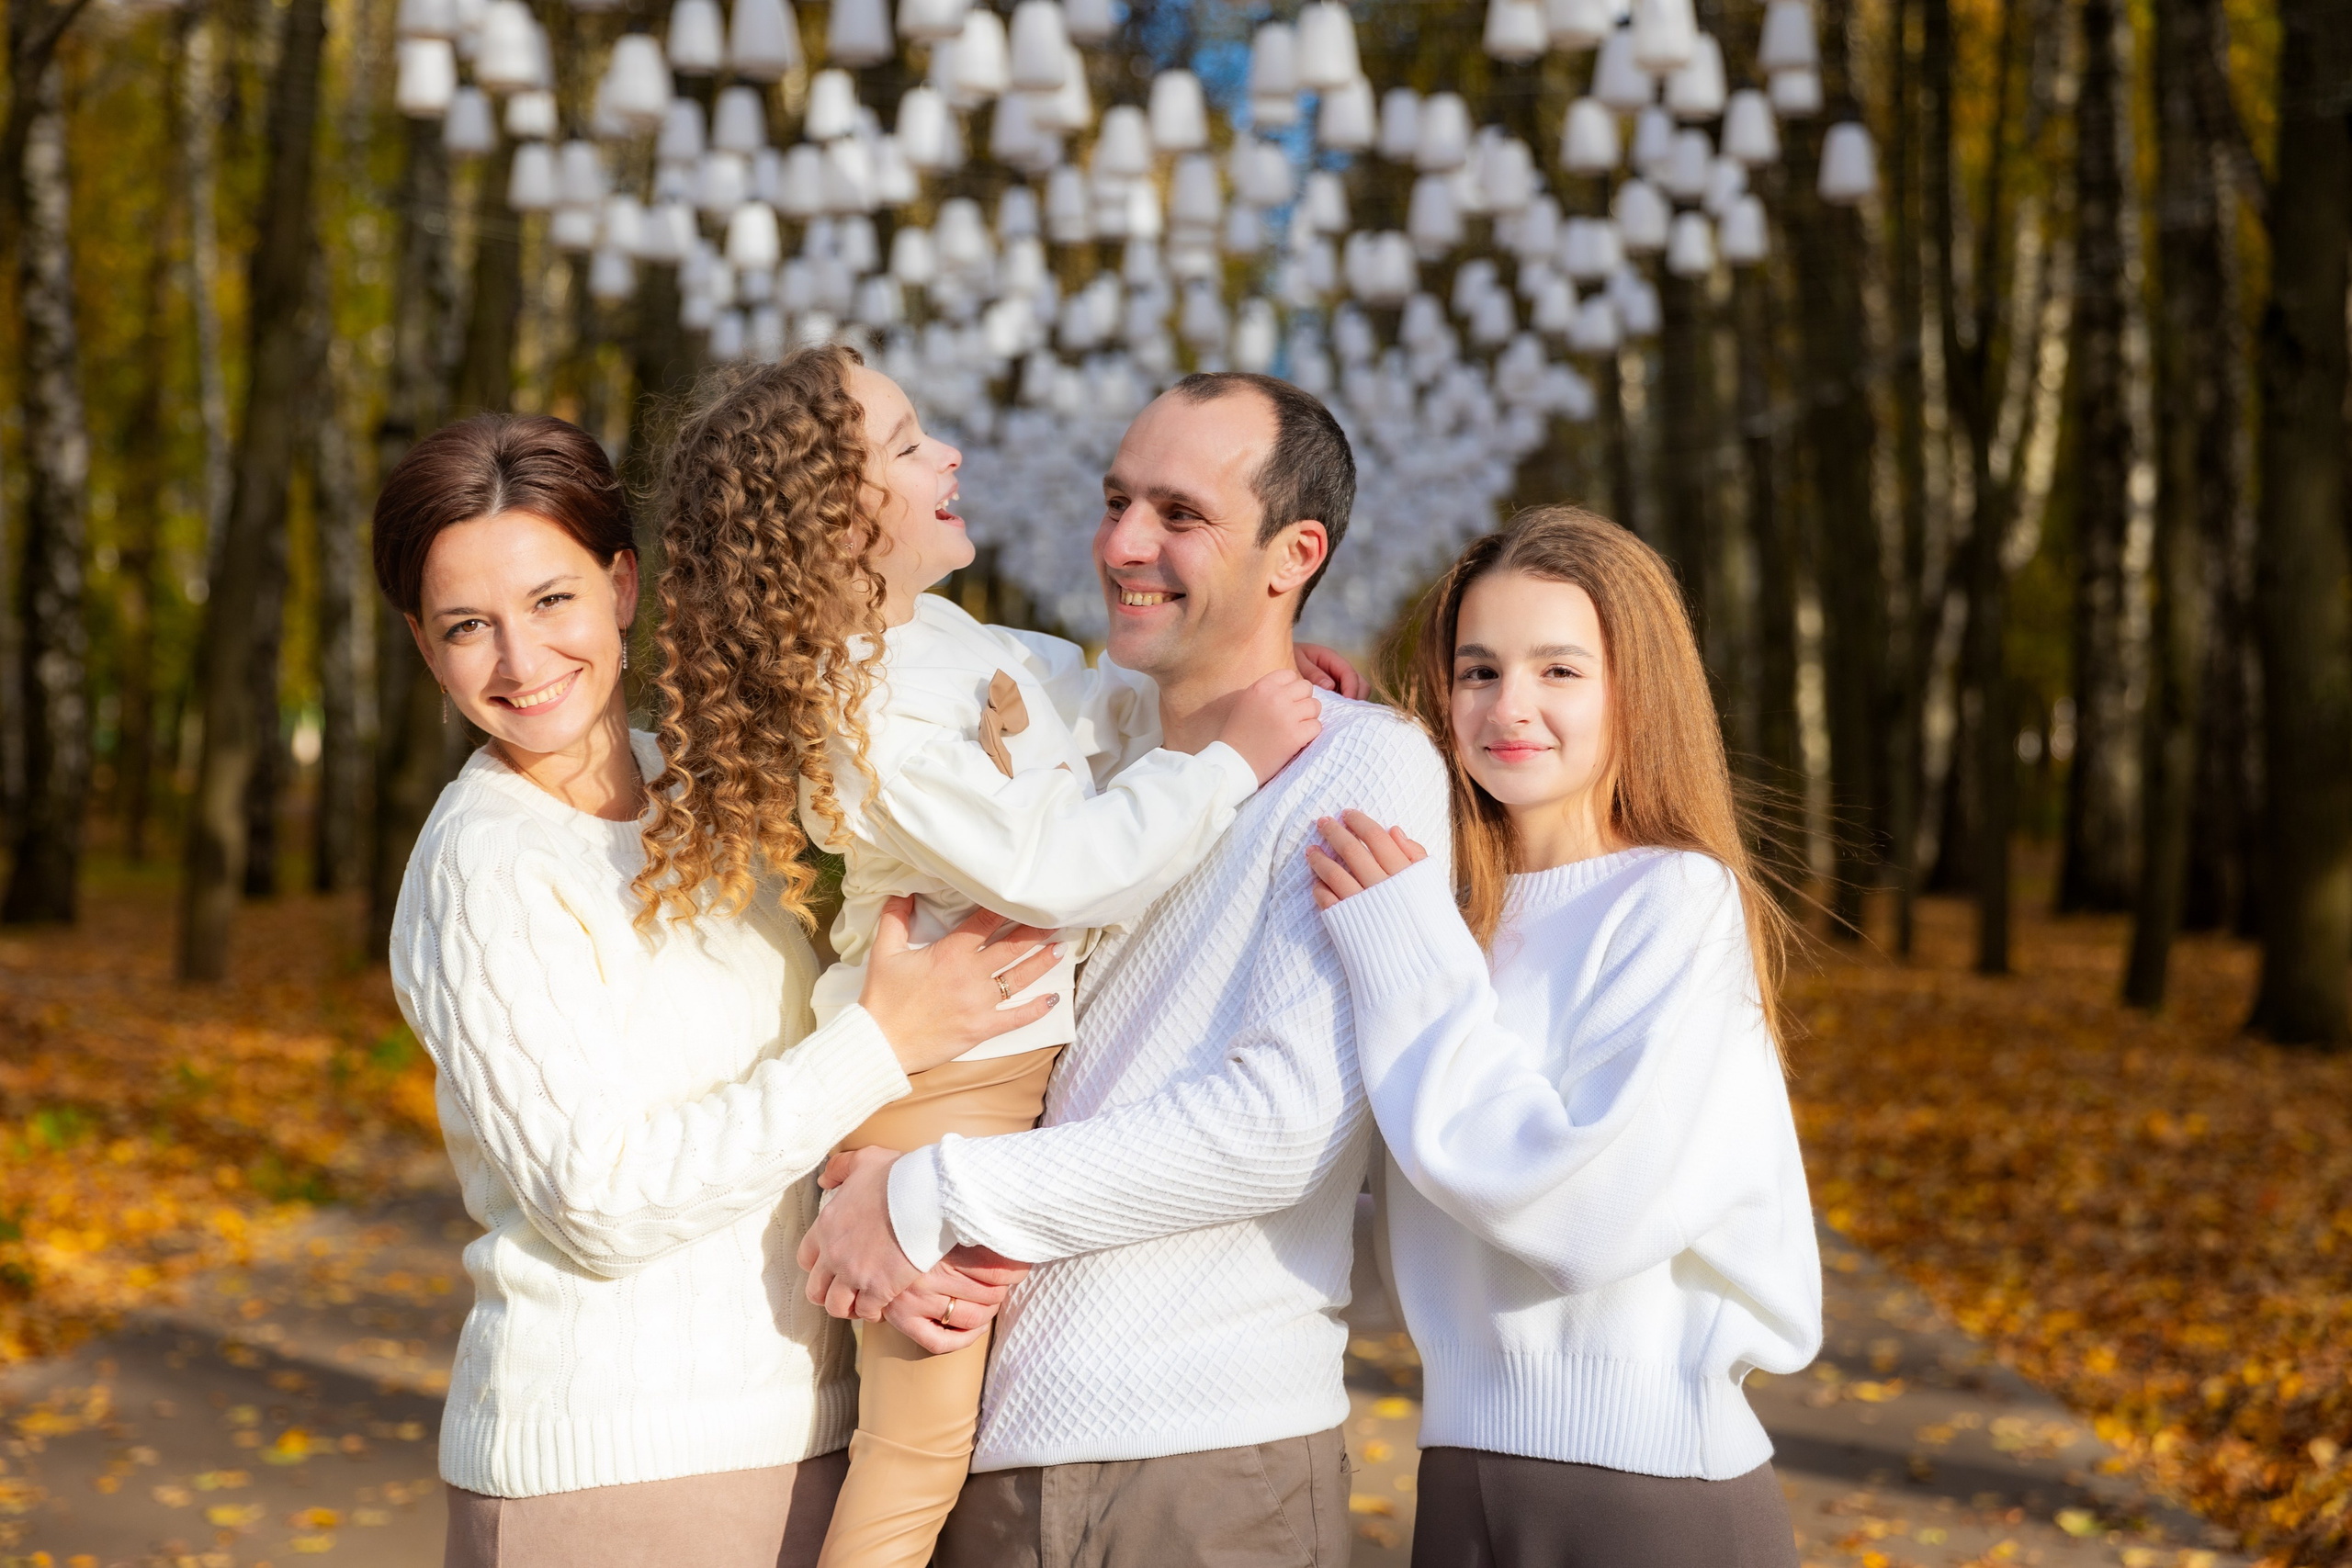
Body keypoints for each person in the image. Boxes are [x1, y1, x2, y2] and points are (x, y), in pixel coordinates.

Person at [634, 346, 1349, 1568]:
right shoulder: (865, 713)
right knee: (914, 1454)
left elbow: (1096, 702)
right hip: (939, 1093)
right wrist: (1232, 760)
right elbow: (1055, 861)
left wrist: (1241, 697)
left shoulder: (954, 640)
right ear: (836, 521)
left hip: (994, 1084)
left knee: (943, 1440)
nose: (949, 453)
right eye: (909, 445)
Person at [379, 412, 1062, 1568]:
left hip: (802, 1442)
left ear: (623, 584)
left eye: (552, 602)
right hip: (609, 1477)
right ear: (423, 645)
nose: (521, 660)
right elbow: (597, 1202)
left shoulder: (699, 787)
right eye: (467, 627)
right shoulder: (484, 863)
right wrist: (879, 1045)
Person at [799, 371, 1450, 1568]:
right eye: (1115, 499)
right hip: (992, 1447)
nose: (1121, 543)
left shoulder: (1361, 765)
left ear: (1291, 552)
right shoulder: (1083, 751)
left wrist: (929, 1189)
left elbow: (1276, 1126)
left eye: (1179, 514)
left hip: (1200, 1461)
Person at [1304, 505, 1824, 1568]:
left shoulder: (1673, 900)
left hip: (1650, 1496)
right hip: (1457, 1472)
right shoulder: (1437, 911)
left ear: (1636, 691)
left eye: (1559, 671)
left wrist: (1405, 946)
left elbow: (1585, 1215)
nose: (1511, 708)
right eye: (1479, 670)